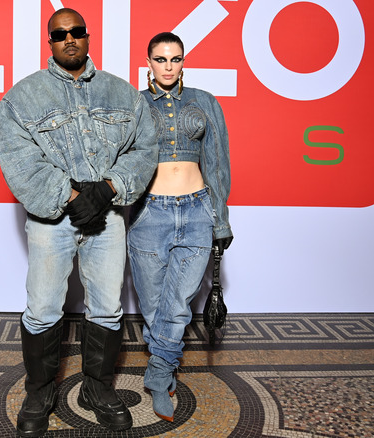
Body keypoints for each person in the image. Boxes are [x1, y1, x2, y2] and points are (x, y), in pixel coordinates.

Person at [0, 8, 158, 437]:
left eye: (76, 32)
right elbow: (19, 161)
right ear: (49, 43)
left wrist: (108, 189)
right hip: (51, 222)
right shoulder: (21, 98)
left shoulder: (124, 94)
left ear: (88, 37)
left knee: (106, 305)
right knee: (44, 304)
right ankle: (39, 390)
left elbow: (144, 150)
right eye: (59, 34)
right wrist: (70, 196)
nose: (69, 39)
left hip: (107, 217)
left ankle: (97, 388)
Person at [127, 32, 233, 422]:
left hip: (196, 212)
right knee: (154, 306)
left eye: (175, 59)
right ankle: (166, 362)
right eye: (160, 59)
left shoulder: (204, 101)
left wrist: (220, 218)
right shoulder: (135, 103)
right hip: (148, 214)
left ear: (183, 61)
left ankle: (157, 377)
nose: (168, 67)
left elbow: (217, 163)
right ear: (149, 62)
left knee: (177, 304)